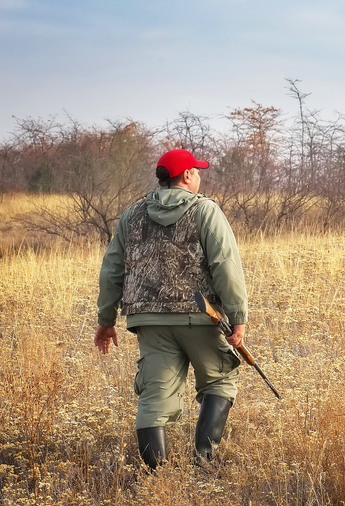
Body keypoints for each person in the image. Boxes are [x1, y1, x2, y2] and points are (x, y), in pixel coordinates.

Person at [94, 149, 248, 470]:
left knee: (154, 399)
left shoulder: (131, 215)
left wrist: (106, 320)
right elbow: (225, 267)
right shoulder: (205, 210)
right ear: (188, 175)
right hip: (201, 316)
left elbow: (111, 269)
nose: (199, 175)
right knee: (219, 381)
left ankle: (158, 478)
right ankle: (204, 462)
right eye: (197, 170)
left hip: (148, 321)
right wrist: (238, 318)